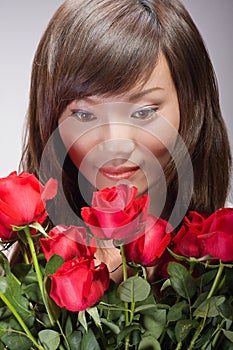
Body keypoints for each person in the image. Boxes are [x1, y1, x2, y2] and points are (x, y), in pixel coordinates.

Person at [20, 0, 232, 281]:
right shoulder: (26, 273)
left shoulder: (221, 277)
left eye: (143, 112)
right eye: (84, 115)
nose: (115, 146)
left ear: (191, 106)